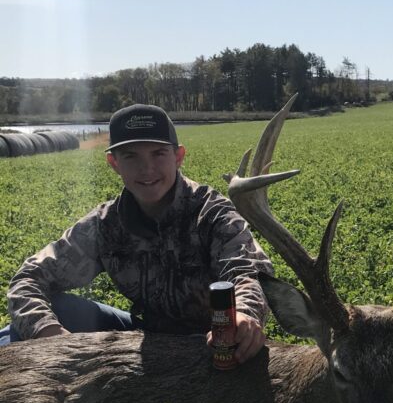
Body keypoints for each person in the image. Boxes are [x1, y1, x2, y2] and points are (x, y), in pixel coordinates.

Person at [0, 104, 273, 364]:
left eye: (158, 153)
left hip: (215, 340)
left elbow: (249, 272)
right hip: (147, 336)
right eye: (131, 156)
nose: (147, 169)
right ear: (113, 162)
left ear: (178, 157)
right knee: (28, 325)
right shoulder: (105, 225)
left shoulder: (212, 214)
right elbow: (28, 278)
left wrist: (245, 315)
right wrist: (50, 335)